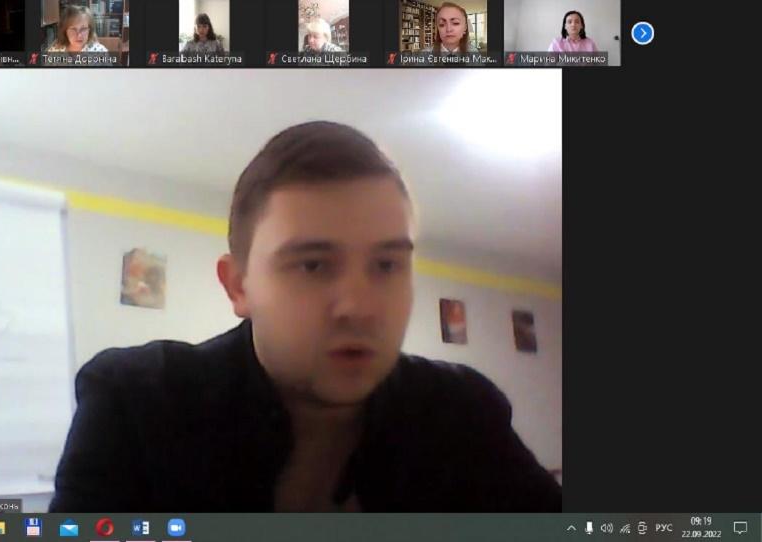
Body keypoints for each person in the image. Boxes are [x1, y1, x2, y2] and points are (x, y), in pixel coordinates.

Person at [49, 121, 562, 512]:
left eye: (387, 265)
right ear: (238, 285)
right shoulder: (137, 404)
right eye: (313, 265)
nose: (360, 307)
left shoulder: (462, 412)